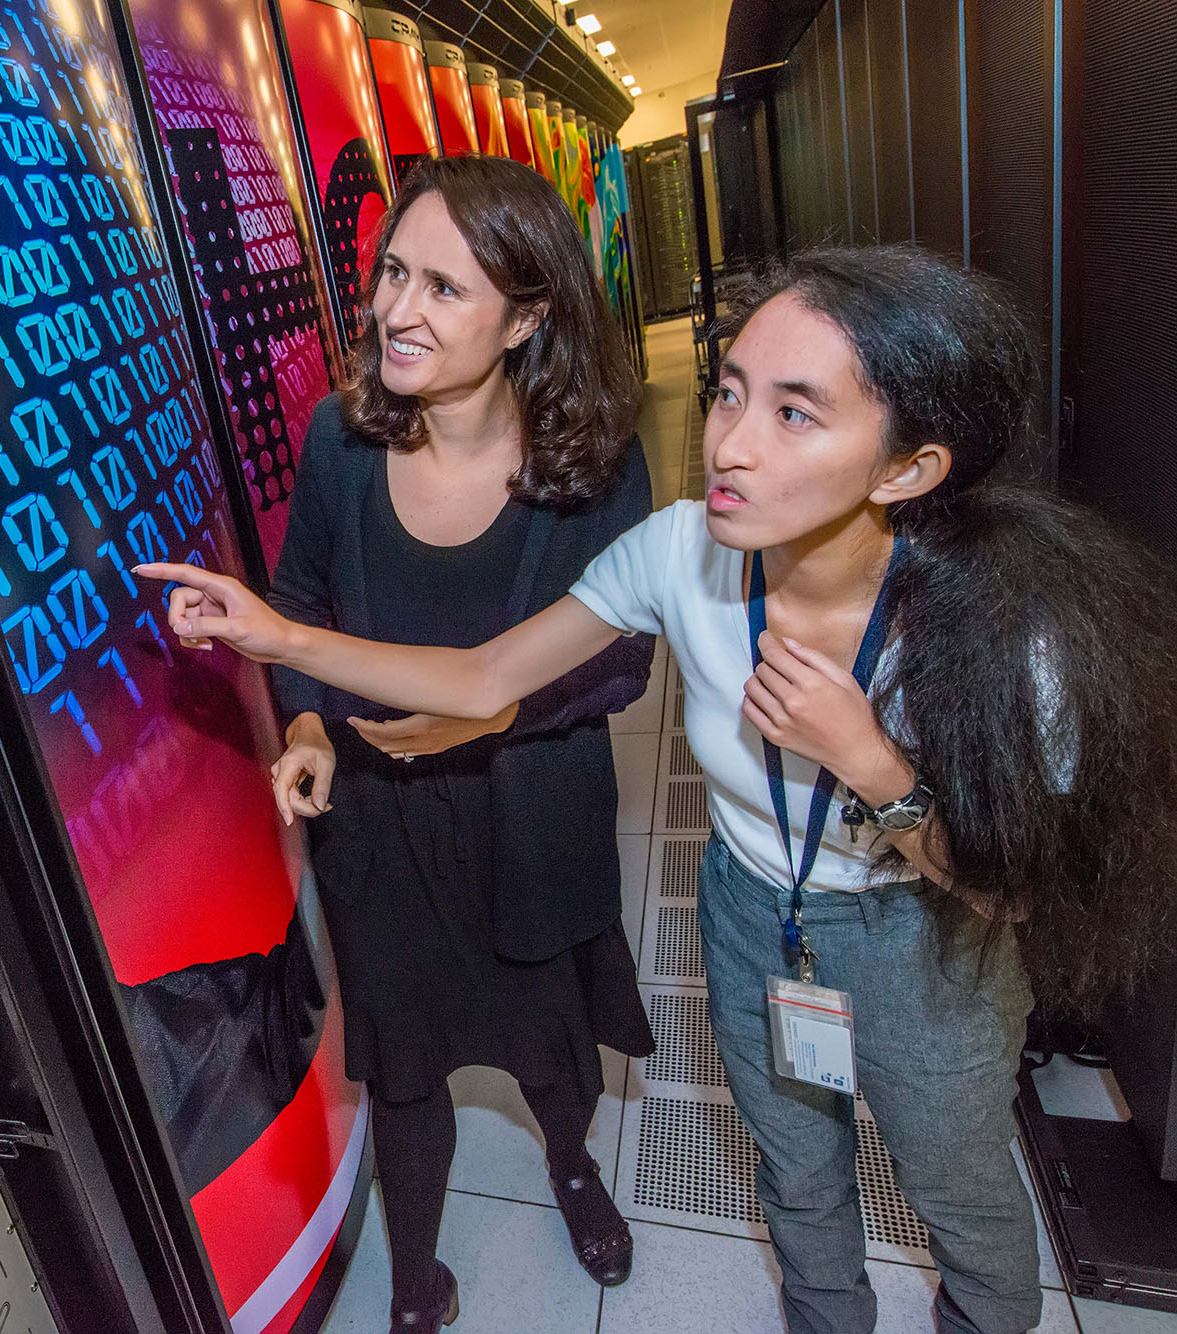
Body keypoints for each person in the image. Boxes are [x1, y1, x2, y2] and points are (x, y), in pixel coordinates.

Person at [141, 245, 1177, 1334]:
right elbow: (488, 673)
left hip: (918, 935)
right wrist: (278, 634)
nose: (724, 440)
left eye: (793, 413)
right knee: (793, 1176)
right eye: (729, 391)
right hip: (746, 912)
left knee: (954, 1190)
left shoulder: (1008, 634)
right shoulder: (683, 550)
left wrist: (869, 761)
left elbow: (1007, 896)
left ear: (904, 469)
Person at [265, 155, 654, 1329]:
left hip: (528, 809)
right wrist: (305, 725)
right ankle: (415, 1269)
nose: (393, 308)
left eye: (441, 286)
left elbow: (619, 660)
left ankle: (571, 1165)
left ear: (526, 316)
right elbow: (300, 602)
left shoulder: (591, 466)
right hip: (378, 823)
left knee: (547, 1048)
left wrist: (486, 713)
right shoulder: (339, 442)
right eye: (392, 272)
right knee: (406, 1064)